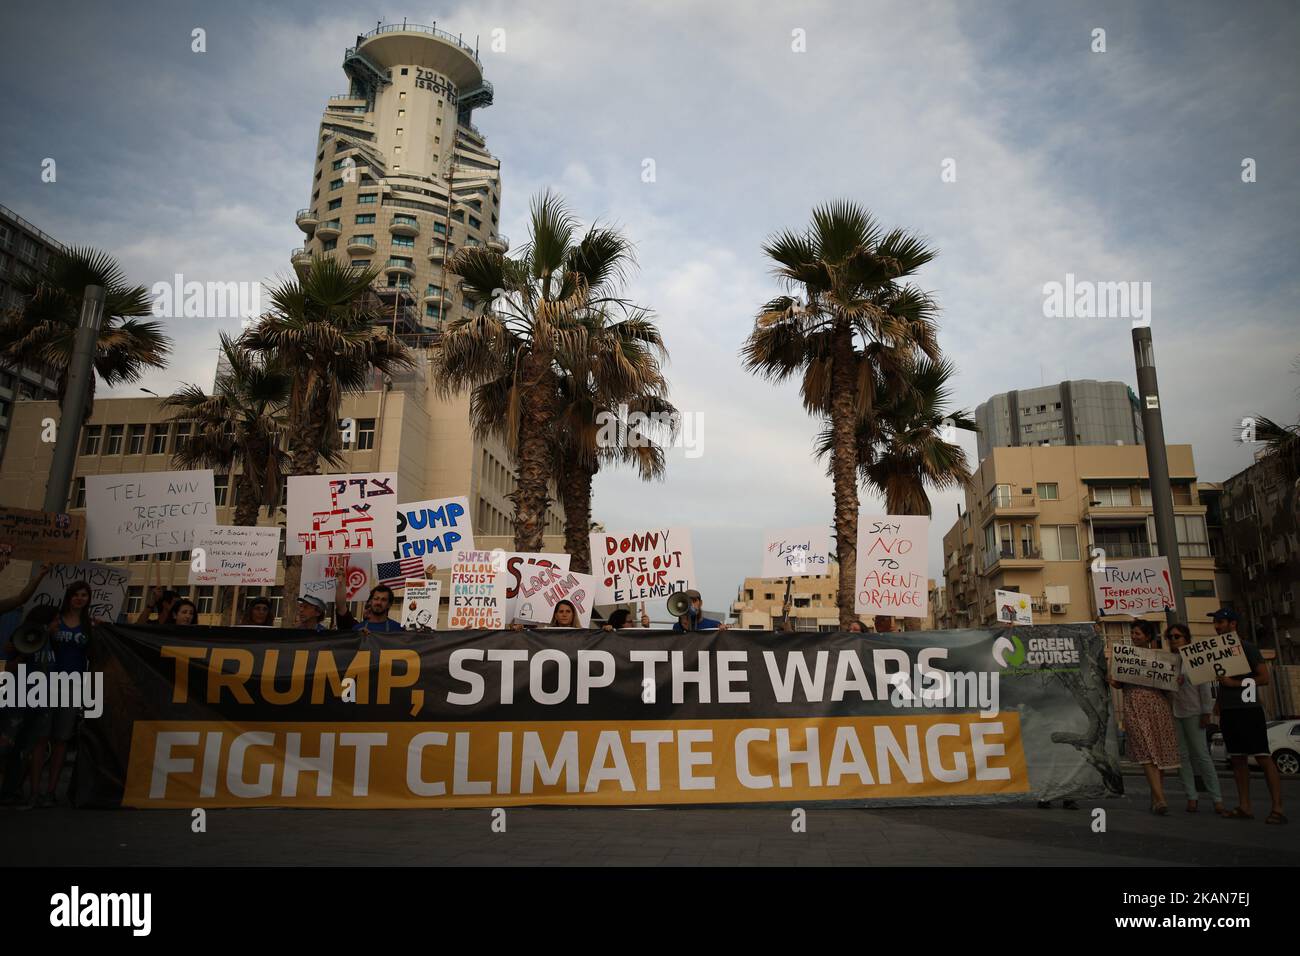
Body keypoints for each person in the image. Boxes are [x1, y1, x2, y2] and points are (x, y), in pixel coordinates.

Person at [1208, 608, 1286, 823]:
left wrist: (1235, 683)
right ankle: (1245, 806)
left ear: (1233, 624)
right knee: (1237, 759)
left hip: (1249, 709)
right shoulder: (1219, 651)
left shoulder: (1248, 648)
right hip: (1229, 712)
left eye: (1220, 622)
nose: (1216, 626)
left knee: (1262, 756)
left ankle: (1278, 808)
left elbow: (1263, 678)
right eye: (1215, 622)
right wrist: (1219, 701)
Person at [28, 582, 95, 807]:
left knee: (61, 740)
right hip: (47, 684)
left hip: (72, 686)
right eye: (76, 594)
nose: (79, 598)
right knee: (40, 738)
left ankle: (51, 791)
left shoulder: (88, 625)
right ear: (68, 596)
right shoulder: (54, 619)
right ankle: (34, 790)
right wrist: (48, 633)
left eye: (84, 595)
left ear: (89, 598)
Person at [1108, 619, 1179, 814]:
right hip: (1134, 706)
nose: (1134, 636)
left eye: (1138, 633)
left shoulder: (1160, 658)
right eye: (1133, 633)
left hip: (1157, 707)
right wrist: (1112, 677)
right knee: (1146, 752)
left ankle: (1155, 799)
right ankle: (1160, 798)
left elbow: (1169, 686)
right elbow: (1118, 684)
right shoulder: (1125, 657)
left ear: (1148, 636)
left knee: (1157, 754)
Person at [0, 605, 59, 806]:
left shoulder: (52, 642)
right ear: (45, 623)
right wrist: (26, 650)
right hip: (17, 702)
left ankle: (10, 791)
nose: (58, 624)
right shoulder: (22, 637)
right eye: (55, 620)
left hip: (40, 704)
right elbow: (8, 668)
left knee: (24, 750)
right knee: (6, 746)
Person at [1165, 622, 1224, 815]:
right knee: (1182, 757)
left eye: (1177, 636)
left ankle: (1217, 798)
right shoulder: (1167, 661)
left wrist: (1206, 712)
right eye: (1170, 637)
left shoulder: (1195, 659)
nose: (1173, 640)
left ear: (1187, 639)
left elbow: (1205, 688)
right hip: (1175, 713)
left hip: (1194, 712)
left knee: (1202, 756)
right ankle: (1191, 796)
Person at [337, 584, 403, 633]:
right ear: (371, 602)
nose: (379, 602)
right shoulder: (357, 629)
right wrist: (358, 636)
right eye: (376, 599)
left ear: (389, 604)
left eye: (383, 600)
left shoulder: (398, 629)